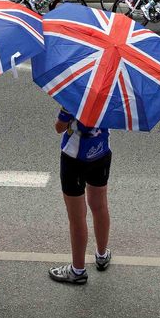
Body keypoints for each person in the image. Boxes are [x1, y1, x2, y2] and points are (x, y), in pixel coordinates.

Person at [48, 107, 112, 285]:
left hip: (73, 159)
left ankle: (77, 270)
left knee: (77, 217)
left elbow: (59, 127)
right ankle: (101, 255)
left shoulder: (74, 96)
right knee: (100, 206)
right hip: (101, 152)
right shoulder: (111, 94)